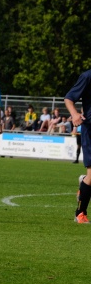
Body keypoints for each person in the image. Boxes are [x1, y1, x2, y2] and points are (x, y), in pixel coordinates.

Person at [64, 70, 91, 223]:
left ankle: (85, 182)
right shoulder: (87, 76)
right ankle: (80, 213)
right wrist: (74, 114)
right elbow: (69, 98)